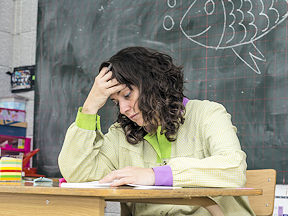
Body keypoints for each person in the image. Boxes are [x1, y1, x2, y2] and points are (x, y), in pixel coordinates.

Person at [58, 46, 255, 215]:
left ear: (152, 83)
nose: (123, 109)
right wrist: (90, 107)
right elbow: (78, 174)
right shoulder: (121, 134)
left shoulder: (207, 114)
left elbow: (233, 169)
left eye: (127, 95)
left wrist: (155, 175)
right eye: (115, 102)